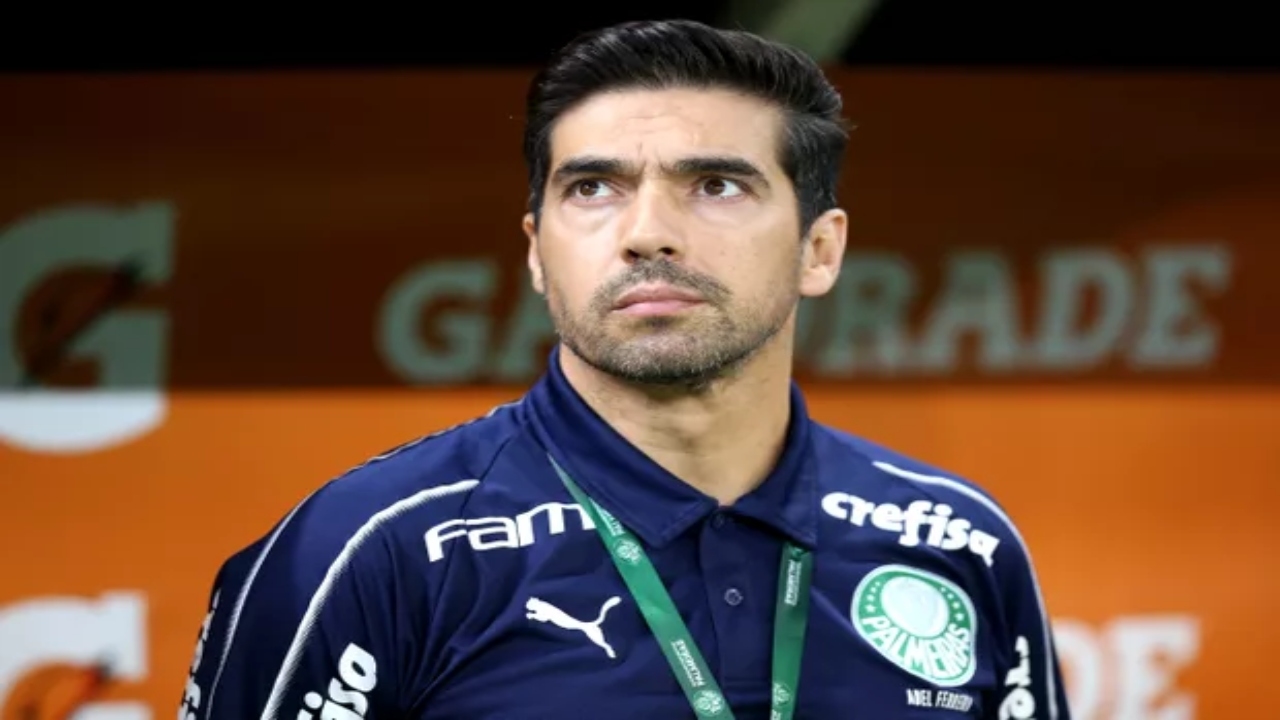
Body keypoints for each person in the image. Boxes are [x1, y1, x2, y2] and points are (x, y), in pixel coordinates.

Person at [177, 19, 1071, 720]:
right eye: (592, 187)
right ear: (537, 251)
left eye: (716, 185)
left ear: (819, 250)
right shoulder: (370, 548)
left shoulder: (958, 541)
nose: (646, 233)